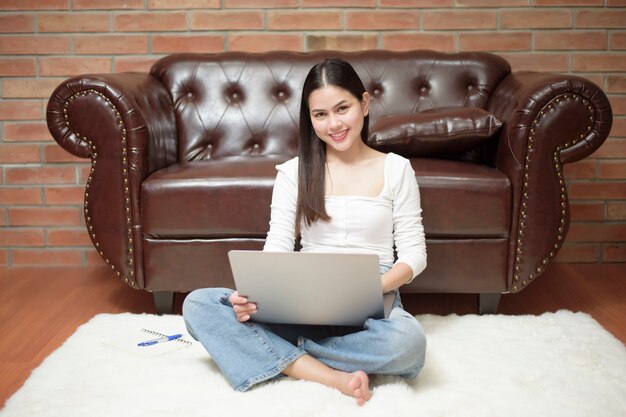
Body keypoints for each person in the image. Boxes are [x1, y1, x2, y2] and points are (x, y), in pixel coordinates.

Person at [183, 58, 427, 406]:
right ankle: (331, 376)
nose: (334, 124)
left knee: (409, 344)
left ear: (365, 103)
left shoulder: (396, 169)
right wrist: (254, 294)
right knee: (198, 305)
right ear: (309, 118)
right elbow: (278, 244)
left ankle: (282, 355)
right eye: (320, 114)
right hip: (304, 292)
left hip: (375, 289)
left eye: (343, 108)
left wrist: (372, 288)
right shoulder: (293, 173)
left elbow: (415, 253)